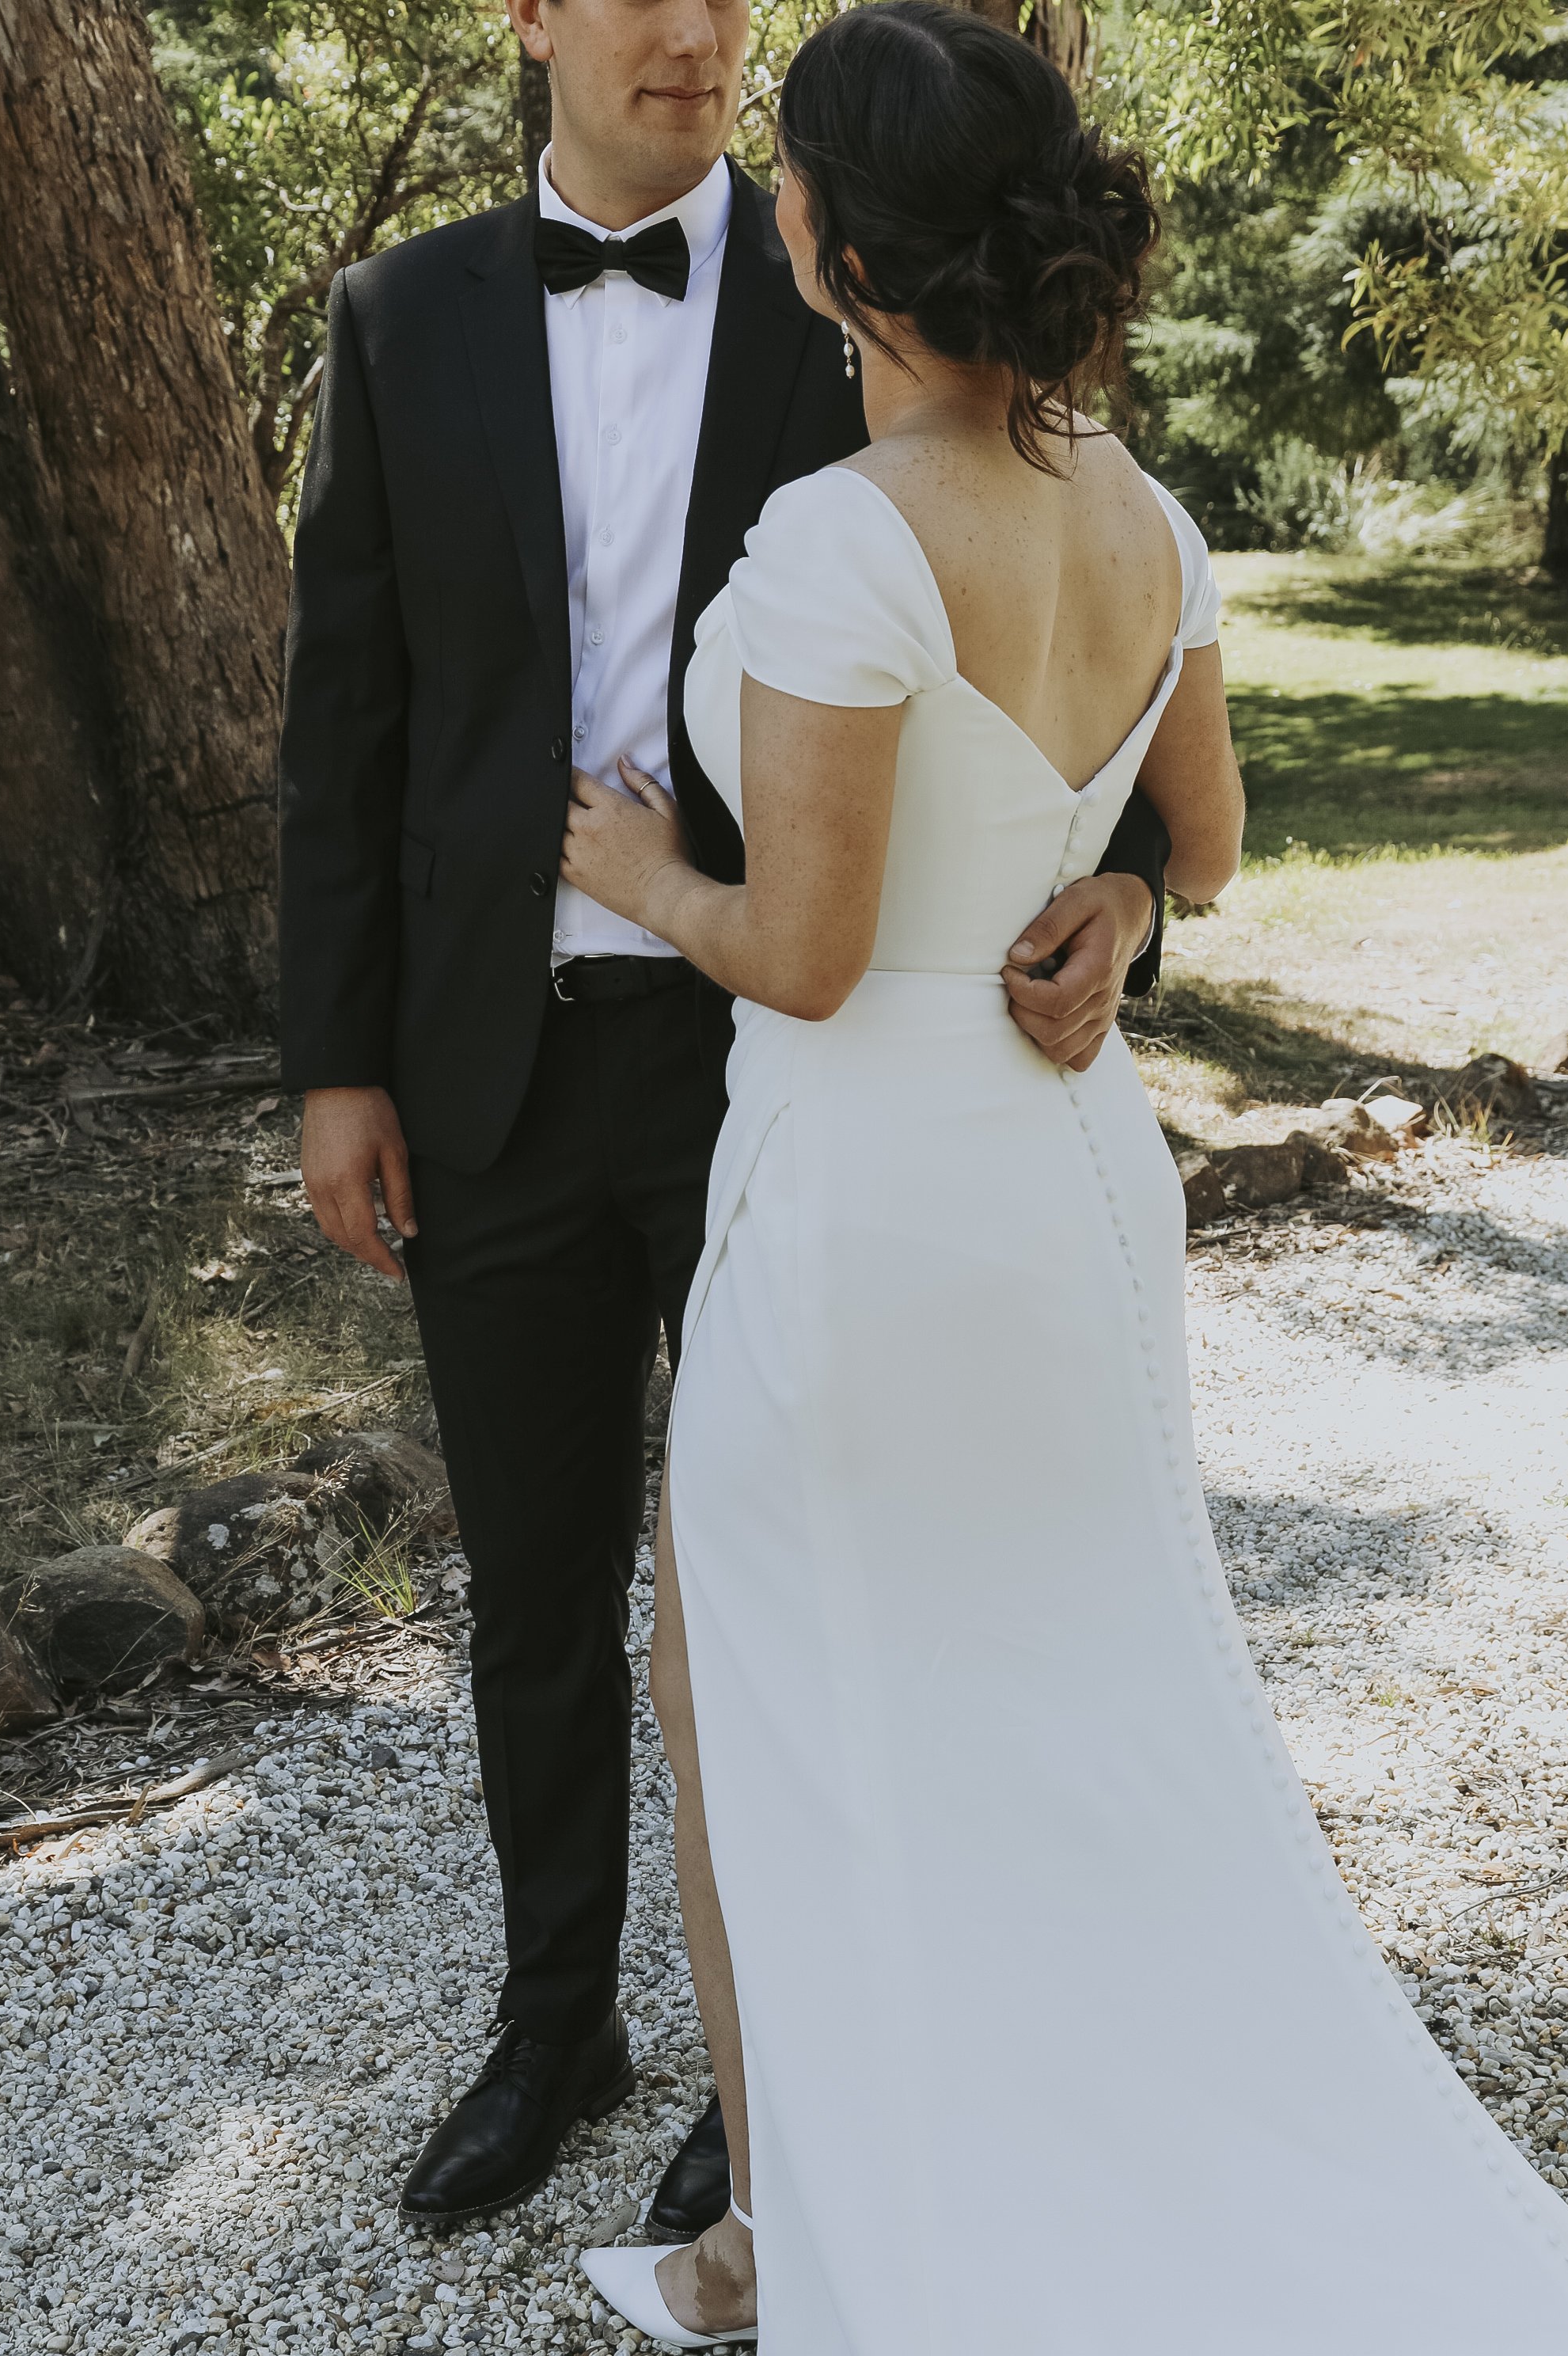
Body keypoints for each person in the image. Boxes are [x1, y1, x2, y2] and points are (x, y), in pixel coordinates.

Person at [568, 6, 1568, 2356]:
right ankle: (1024, 2167)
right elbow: (1211, 845)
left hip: (870, 1200)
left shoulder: (843, 540)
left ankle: (792, 2244)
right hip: (1062, 1188)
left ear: (830, 240)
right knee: (1063, 1694)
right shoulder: (1144, 517)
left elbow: (803, 950)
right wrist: (1130, 911)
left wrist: (629, 869)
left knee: (757, 1699)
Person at [277, 0, 1171, 2234]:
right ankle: (553, 2021)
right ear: (530, 17)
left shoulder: (867, 289)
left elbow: (1095, 661)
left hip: (780, 1073)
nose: (690, 30)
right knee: (536, 1581)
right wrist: (334, 1061)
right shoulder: (399, 318)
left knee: (795, 1600)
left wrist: (1135, 892)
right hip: (487, 1059)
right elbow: (348, 716)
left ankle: (771, 2072)